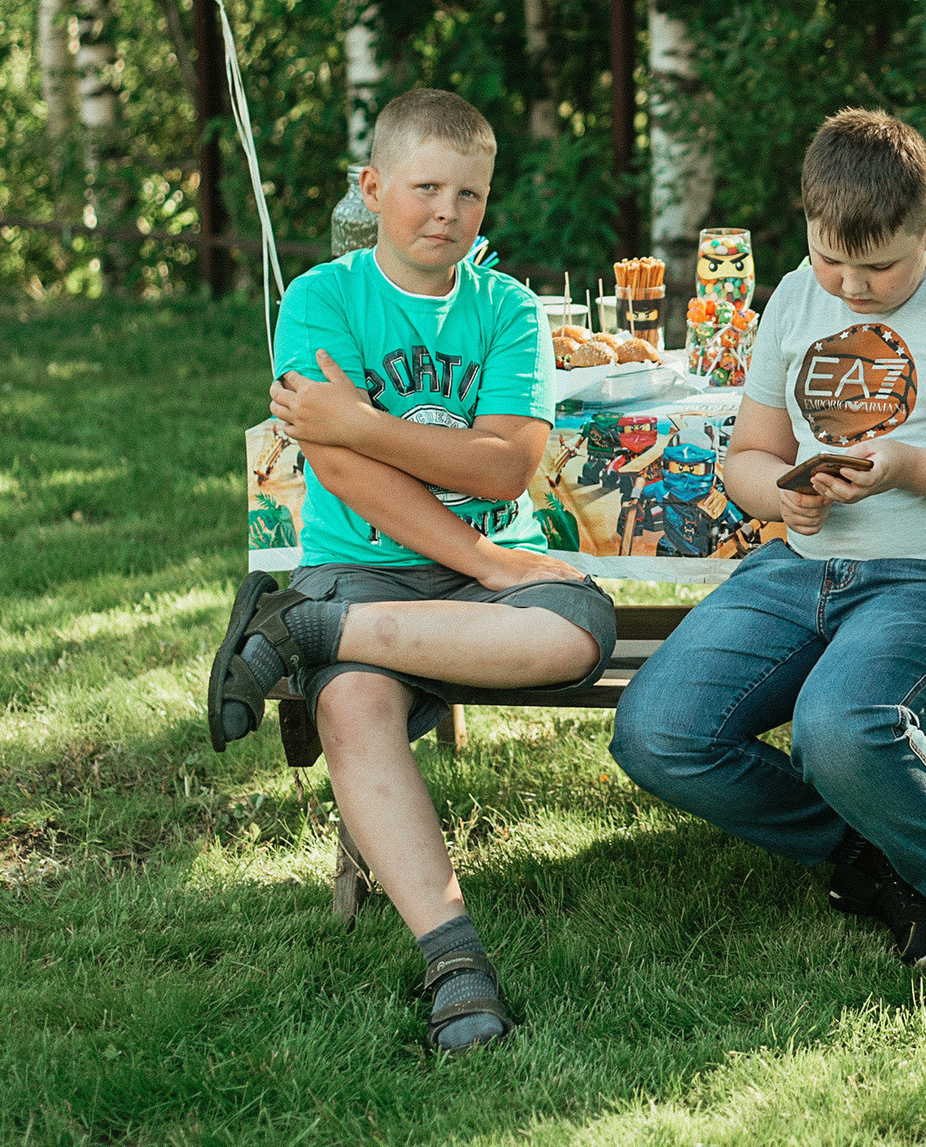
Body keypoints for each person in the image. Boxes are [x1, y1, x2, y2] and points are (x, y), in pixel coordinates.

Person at [608, 109, 926, 1006]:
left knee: (838, 725)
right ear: (808, 226)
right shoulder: (796, 295)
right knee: (657, 730)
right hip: (801, 568)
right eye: (832, 260)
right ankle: (873, 855)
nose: (853, 287)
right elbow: (748, 457)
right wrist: (780, 492)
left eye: (880, 267)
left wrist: (910, 466)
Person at [206, 88, 618, 1054]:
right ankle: (455, 961)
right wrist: (469, 542)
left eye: (468, 194)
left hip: (475, 581)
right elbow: (340, 467)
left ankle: (298, 628)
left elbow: (505, 466)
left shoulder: (507, 309)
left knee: (579, 632)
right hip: (368, 570)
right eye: (425, 188)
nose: (447, 212)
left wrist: (364, 422)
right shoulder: (323, 298)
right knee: (353, 704)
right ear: (373, 187)